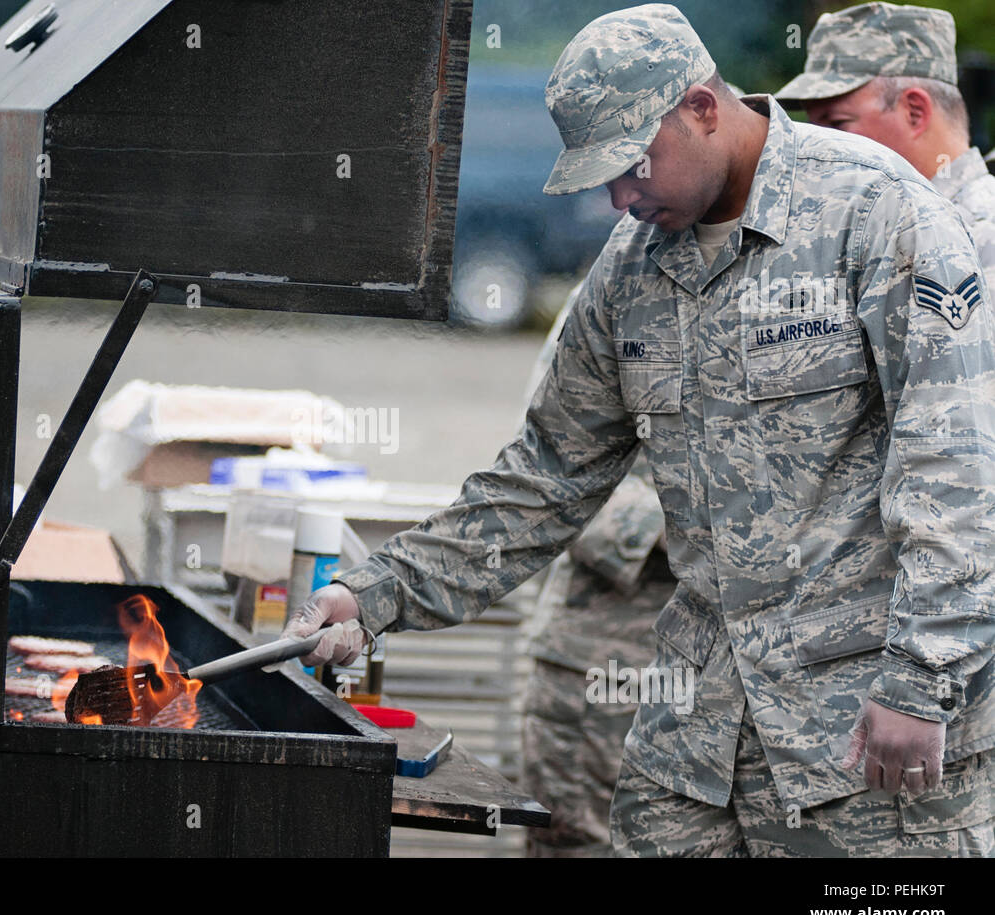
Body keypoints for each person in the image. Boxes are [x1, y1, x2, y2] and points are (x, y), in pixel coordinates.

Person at [281, 3, 995, 856]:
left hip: (863, 738)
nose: (619, 197)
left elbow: (956, 462)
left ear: (700, 107)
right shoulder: (633, 269)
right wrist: (374, 594)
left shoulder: (876, 213)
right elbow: (543, 478)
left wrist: (922, 680)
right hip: (698, 736)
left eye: (631, 164)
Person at [518, 286, 673, 858]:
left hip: (751, 684)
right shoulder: (623, 288)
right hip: (608, 672)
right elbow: (545, 474)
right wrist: (696, 530)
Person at [775, 2, 995, 279]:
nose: (818, 145)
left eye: (836, 123)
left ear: (915, 112)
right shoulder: (875, 223)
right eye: (814, 125)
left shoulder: (982, 229)